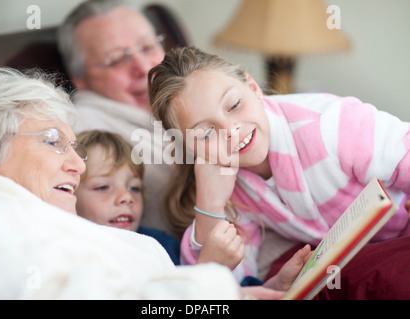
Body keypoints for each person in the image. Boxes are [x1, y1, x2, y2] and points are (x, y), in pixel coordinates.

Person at [0, 67, 309, 300]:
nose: (77, 164)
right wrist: (212, 285)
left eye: (73, 146)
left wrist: (246, 293)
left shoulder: (52, 223)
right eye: (52, 141)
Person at [147, 47, 410, 286]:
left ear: (253, 86)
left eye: (235, 105)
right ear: (189, 147)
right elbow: (217, 282)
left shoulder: (332, 124)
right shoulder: (225, 182)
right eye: (205, 134)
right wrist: (209, 207)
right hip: (356, 253)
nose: (231, 130)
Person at [57, 0, 173, 233]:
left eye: (148, 47)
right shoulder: (80, 131)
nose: (143, 67)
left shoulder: (191, 92)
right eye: (117, 60)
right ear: (81, 79)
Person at [74, 130, 180, 265]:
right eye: (103, 187)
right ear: (69, 195)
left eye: (134, 188)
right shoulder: (66, 249)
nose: (127, 196)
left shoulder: (163, 246)